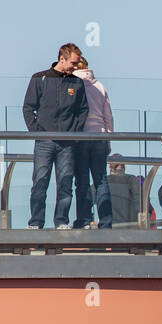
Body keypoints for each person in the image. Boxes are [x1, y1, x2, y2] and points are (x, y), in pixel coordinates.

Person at [22, 43, 89, 229]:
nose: (76, 67)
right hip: (44, 142)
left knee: (65, 182)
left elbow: (83, 111)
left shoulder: (77, 82)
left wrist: (74, 133)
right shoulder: (39, 79)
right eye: (73, 63)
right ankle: (36, 222)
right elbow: (28, 108)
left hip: (67, 143)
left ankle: (61, 221)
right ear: (62, 59)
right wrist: (38, 132)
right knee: (40, 181)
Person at [70, 57, 114, 228]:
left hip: (79, 138)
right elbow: (108, 116)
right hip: (99, 138)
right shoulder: (99, 86)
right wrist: (108, 139)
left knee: (81, 181)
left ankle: (84, 220)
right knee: (101, 180)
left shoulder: (72, 86)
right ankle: (106, 222)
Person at [103, 155, 154, 226]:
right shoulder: (132, 180)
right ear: (123, 165)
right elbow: (142, 201)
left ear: (109, 167)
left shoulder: (103, 182)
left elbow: (89, 197)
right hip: (130, 226)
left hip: (109, 226)